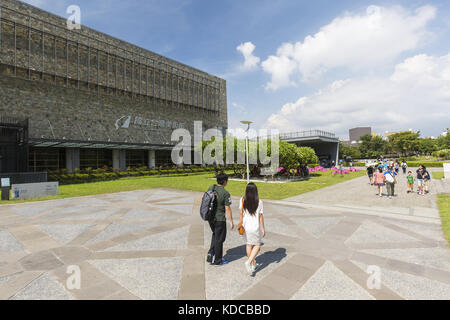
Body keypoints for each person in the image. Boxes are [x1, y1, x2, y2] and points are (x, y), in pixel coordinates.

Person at [206, 173, 233, 265]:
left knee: (215, 235)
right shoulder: (225, 193)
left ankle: (211, 252)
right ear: (225, 181)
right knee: (220, 239)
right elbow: (228, 208)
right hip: (220, 219)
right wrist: (231, 222)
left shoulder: (211, 188)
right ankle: (218, 260)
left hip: (210, 218)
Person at [238, 183, 265, 275]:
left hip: (245, 227)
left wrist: (240, 224)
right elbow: (260, 216)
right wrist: (263, 229)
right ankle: (249, 262)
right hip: (255, 227)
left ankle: (253, 264)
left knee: (248, 245)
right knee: (257, 245)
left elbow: (241, 214)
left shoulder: (242, 200)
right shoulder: (259, 201)